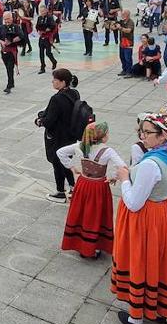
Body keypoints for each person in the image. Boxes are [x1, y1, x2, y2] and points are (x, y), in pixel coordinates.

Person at [111, 112, 167, 324]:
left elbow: (134, 202)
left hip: (147, 219)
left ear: (162, 136)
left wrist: (125, 178)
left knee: (143, 262)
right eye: (142, 131)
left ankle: (136, 318)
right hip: (165, 214)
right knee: (159, 262)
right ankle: (158, 310)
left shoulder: (152, 164)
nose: (142, 136)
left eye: (147, 132)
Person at [55, 121, 125, 258]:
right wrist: (115, 177)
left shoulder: (80, 146)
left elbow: (60, 152)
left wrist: (72, 167)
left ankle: (81, 243)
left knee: (82, 213)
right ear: (103, 136)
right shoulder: (107, 151)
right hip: (99, 187)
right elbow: (122, 166)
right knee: (96, 215)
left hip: (83, 184)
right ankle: (94, 246)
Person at [38, 68, 81, 201]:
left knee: (57, 163)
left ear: (62, 82)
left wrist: (39, 121)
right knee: (65, 162)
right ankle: (73, 187)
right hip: (70, 135)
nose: (53, 81)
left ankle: (60, 192)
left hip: (58, 137)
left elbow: (49, 121)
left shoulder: (56, 98)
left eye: (55, 80)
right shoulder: (74, 93)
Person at [0, 11, 24, 94]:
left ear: (11, 18)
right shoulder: (1, 27)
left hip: (12, 51)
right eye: (5, 19)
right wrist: (2, 42)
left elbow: (21, 36)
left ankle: (9, 85)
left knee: (10, 67)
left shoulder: (16, 27)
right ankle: (11, 82)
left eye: (8, 19)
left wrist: (11, 41)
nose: (6, 21)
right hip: (4, 50)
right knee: (8, 68)